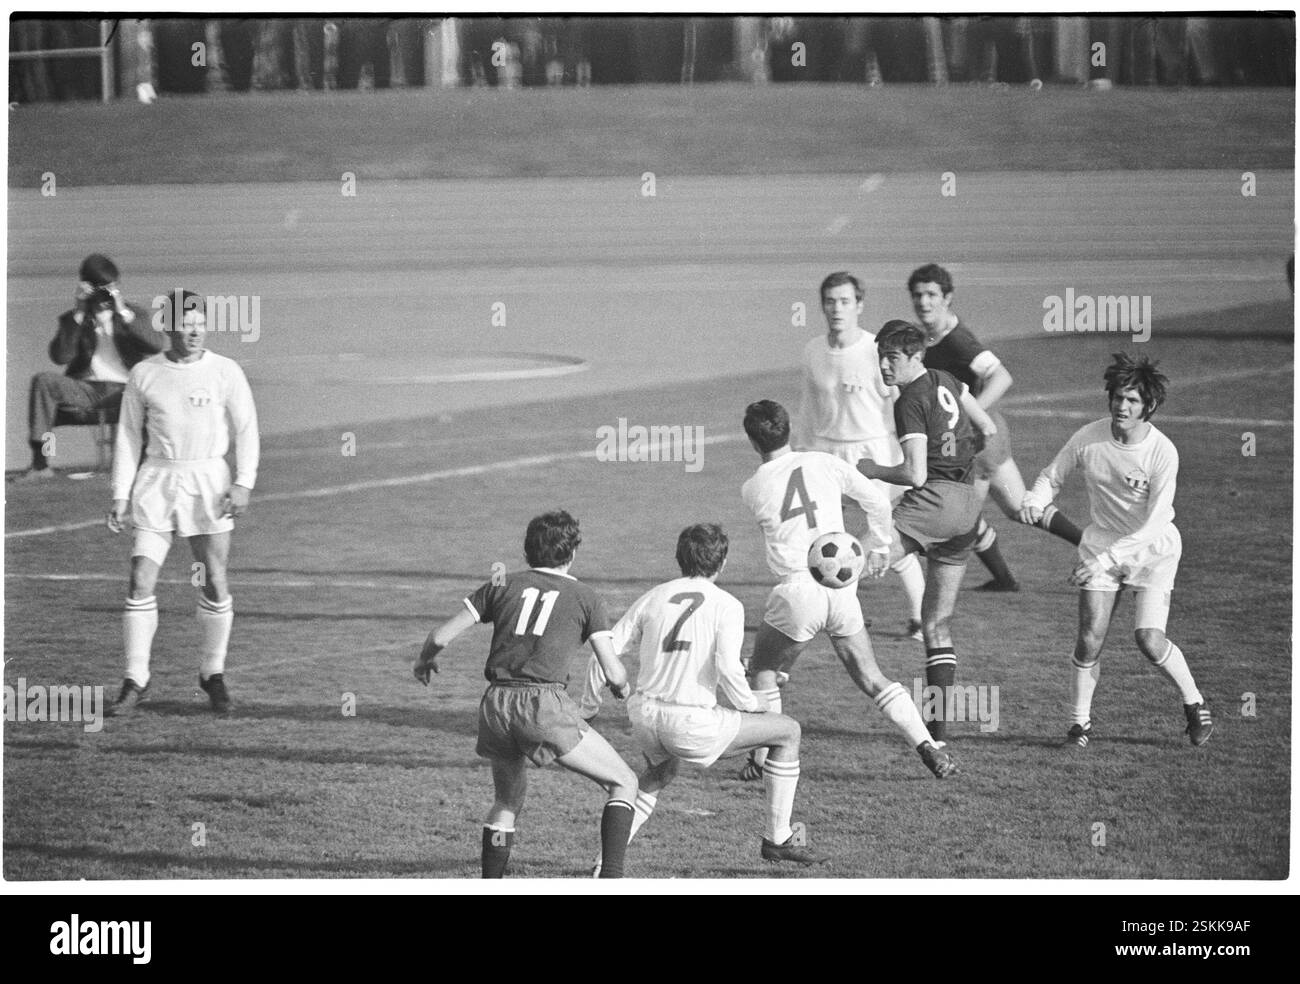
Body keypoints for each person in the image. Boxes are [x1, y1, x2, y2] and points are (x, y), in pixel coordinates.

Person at [413, 510, 641, 878]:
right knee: (624, 781)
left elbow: (439, 637)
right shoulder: (585, 596)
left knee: (506, 801)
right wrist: (622, 686)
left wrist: (425, 661)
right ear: (572, 553)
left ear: (528, 550)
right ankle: (611, 879)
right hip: (542, 706)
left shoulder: (502, 584)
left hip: (497, 704)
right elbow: (613, 670)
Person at [738, 398, 956, 780]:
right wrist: (876, 548)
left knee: (764, 672)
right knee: (873, 678)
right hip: (842, 589)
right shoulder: (824, 461)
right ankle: (928, 746)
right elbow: (876, 500)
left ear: (753, 443)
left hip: (796, 590)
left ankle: (760, 761)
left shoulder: (752, 488)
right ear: (789, 428)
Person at [587, 523, 825, 872]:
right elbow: (728, 668)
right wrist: (752, 703)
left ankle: (605, 865)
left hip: (644, 715)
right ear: (723, 562)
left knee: (658, 775)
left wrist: (588, 706)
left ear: (678, 558)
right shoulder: (727, 604)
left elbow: (604, 647)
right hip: (690, 723)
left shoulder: (654, 595)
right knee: (788, 731)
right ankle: (778, 838)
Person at [1019, 354, 1213, 748]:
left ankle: (1194, 702)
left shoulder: (1162, 452)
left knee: (1149, 639)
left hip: (1152, 550)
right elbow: (1051, 476)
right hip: (1102, 542)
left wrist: (1106, 560)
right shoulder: (1088, 437)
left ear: (1149, 406)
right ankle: (1079, 725)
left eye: (1132, 401)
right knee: (1089, 639)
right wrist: (1035, 500)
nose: (1121, 407)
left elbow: (1155, 523)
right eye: (1117, 397)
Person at [106, 290, 259, 718]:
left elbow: (246, 429)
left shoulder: (225, 372)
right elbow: (128, 436)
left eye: (199, 324)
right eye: (184, 325)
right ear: (168, 328)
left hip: (209, 481)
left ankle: (213, 674)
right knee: (139, 578)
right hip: (157, 481)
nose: (193, 332)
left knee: (213, 579)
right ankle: (136, 679)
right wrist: (121, 494)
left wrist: (243, 483)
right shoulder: (145, 374)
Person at [856, 321, 997, 742]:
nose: (884, 366)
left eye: (892, 358)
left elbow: (915, 475)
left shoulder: (910, 400)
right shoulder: (948, 380)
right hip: (968, 507)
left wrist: (871, 471)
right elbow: (986, 429)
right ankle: (936, 732)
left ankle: (768, 670)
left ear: (915, 357)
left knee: (839, 571)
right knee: (936, 624)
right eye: (880, 356)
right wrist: (957, 459)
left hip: (931, 503)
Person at [908, 262, 1083, 591]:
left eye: (931, 295)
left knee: (961, 519)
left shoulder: (958, 342)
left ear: (948, 298)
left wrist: (968, 413)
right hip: (986, 439)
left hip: (977, 443)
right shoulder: (929, 338)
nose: (924, 302)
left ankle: (965, 591)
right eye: (918, 295)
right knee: (1020, 507)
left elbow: (1002, 376)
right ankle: (1090, 548)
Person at [795, 270, 927, 640]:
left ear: (859, 306)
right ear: (822, 306)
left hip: (871, 451)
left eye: (845, 301)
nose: (837, 309)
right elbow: (808, 406)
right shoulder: (812, 351)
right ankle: (836, 615)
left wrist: (907, 456)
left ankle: (920, 618)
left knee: (883, 535)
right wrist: (801, 453)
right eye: (831, 301)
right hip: (825, 452)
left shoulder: (876, 350)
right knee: (825, 538)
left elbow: (904, 404)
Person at [17, 254, 162, 481]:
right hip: (84, 391)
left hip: (126, 391)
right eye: (98, 288)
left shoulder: (134, 315)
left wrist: (122, 310)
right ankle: (42, 462)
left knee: (153, 383)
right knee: (43, 382)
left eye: (110, 287)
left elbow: (156, 345)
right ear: (86, 286)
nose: (103, 293)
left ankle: (143, 462)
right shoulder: (74, 319)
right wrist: (79, 312)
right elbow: (60, 357)